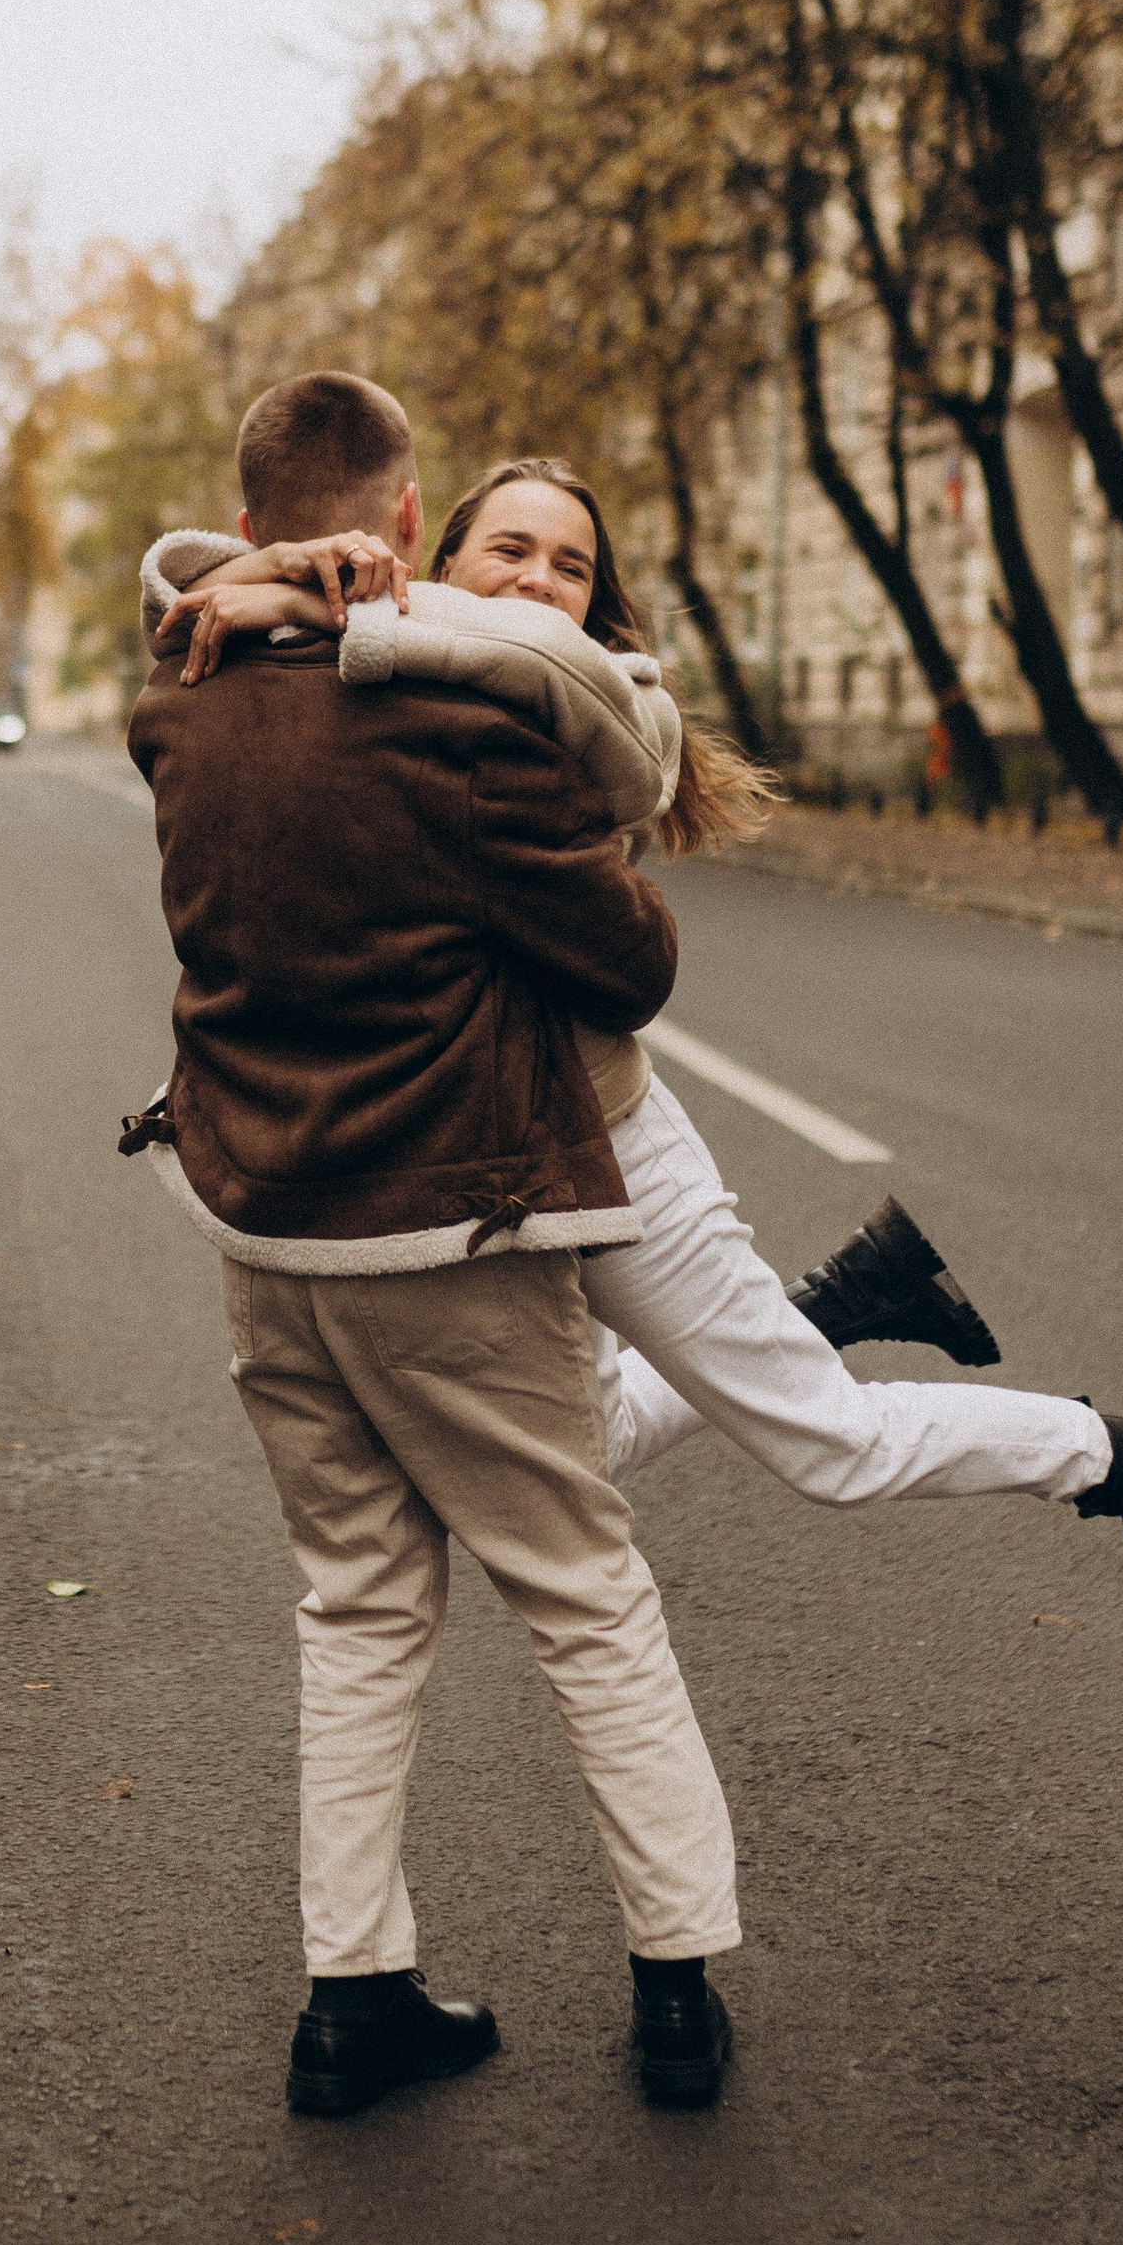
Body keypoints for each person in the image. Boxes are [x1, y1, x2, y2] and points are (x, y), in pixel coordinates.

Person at [140, 440, 1123, 1642]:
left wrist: (286, 586)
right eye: (511, 549)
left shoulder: (581, 699)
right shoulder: (430, 667)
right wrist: (289, 579)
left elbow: (411, 656)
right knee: (591, 1434)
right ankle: (841, 1297)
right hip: (492, 1157)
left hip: (603, 1143)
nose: (539, 581)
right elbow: (249, 673)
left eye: (570, 566)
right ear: (436, 556)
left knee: (833, 1447)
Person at [125, 370, 742, 2121]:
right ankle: (679, 1988)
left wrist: (233, 595)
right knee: (587, 1597)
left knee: (360, 1608)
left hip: (264, 1233)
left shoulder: (176, 711)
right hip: (445, 1230)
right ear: (407, 533)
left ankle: (354, 1996)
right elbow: (633, 966)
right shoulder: (463, 736)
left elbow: (180, 608)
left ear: (252, 534)